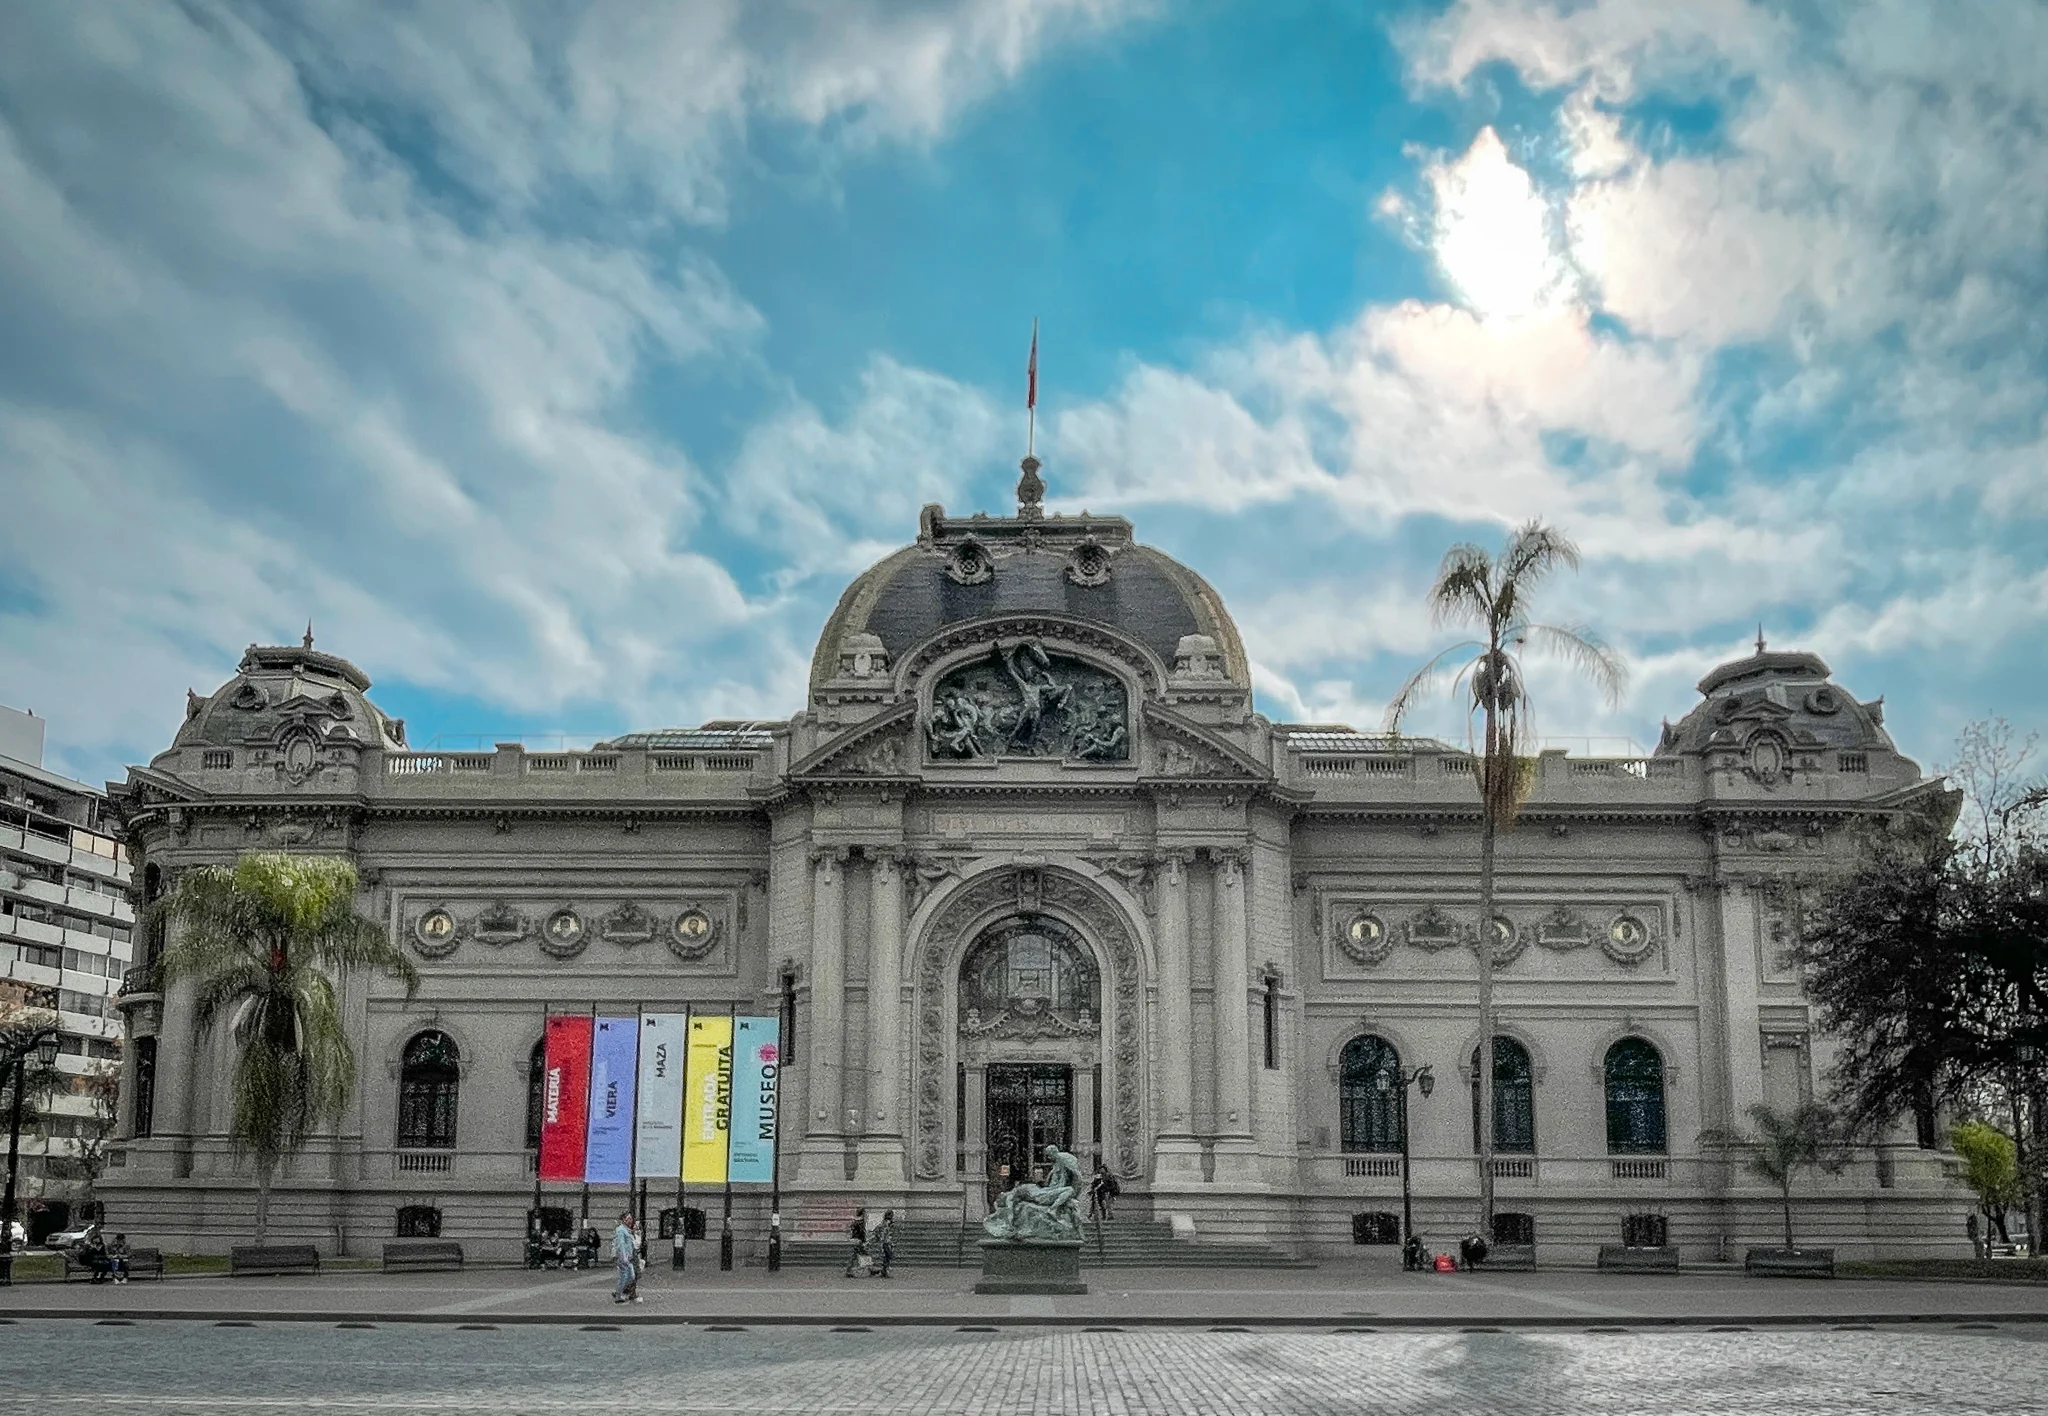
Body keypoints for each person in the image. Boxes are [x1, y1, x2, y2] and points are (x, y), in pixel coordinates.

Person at [611, 1211, 641, 1304]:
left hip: (628, 1257)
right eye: (628, 1219)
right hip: (624, 1258)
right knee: (626, 1276)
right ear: (623, 1219)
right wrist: (623, 1257)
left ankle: (620, 1293)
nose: (630, 1221)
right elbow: (621, 1245)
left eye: (631, 1219)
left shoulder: (626, 1230)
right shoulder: (621, 1230)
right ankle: (619, 1295)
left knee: (630, 1276)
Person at [843, 1207, 869, 1278]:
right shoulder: (861, 1222)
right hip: (858, 1240)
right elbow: (861, 1233)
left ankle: (849, 1270)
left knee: (855, 1255)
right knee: (863, 1254)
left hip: (855, 1240)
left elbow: (851, 1230)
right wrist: (864, 1241)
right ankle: (869, 1268)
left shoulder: (855, 1221)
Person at [872, 1209, 896, 1279]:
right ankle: (884, 1271)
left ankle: (884, 1271)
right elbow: (884, 1233)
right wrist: (882, 1240)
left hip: (886, 1242)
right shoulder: (886, 1223)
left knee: (887, 1257)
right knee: (888, 1256)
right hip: (885, 1243)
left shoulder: (885, 1223)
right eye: (891, 1215)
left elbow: (878, 1231)